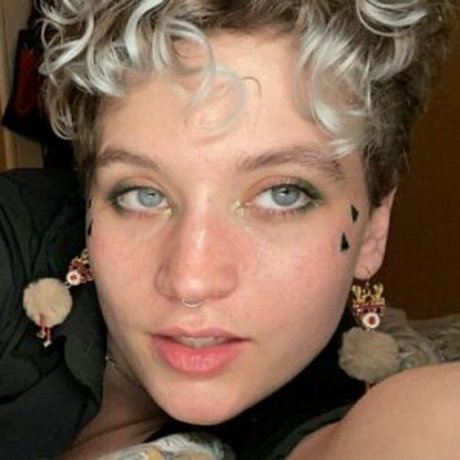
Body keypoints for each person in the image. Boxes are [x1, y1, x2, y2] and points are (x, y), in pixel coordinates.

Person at [0, 0, 458, 459]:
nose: (191, 280)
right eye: (144, 194)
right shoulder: (12, 243)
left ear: (374, 225)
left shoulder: (325, 393)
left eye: (282, 194)